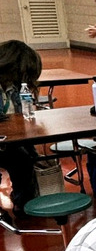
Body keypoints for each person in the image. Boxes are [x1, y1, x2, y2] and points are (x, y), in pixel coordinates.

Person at [0, 39, 42, 214]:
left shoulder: (13, 88)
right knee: (21, 157)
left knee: (25, 158)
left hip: (6, 142)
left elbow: (20, 123)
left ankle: (24, 205)